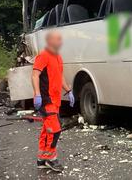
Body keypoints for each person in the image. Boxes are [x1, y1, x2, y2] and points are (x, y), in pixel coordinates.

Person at [32, 31, 75, 172]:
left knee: (47, 129)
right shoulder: (43, 56)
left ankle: (41, 159)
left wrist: (68, 91)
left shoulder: (57, 57)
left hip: (55, 101)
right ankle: (51, 158)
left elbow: (59, 75)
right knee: (55, 130)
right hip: (46, 100)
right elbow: (35, 75)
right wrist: (37, 94)